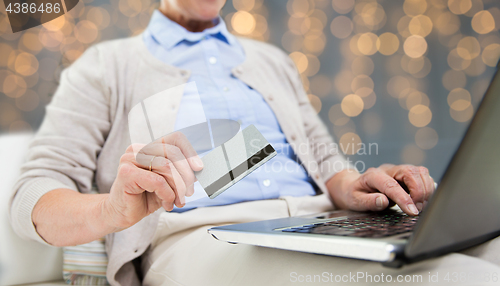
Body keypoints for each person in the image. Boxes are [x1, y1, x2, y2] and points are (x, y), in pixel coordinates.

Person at [10, 0, 499, 285]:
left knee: (488, 255)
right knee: (463, 279)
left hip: (324, 221)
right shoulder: (105, 65)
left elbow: (324, 157)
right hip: (205, 236)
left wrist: (355, 184)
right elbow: (32, 195)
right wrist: (112, 213)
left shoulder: (271, 61)